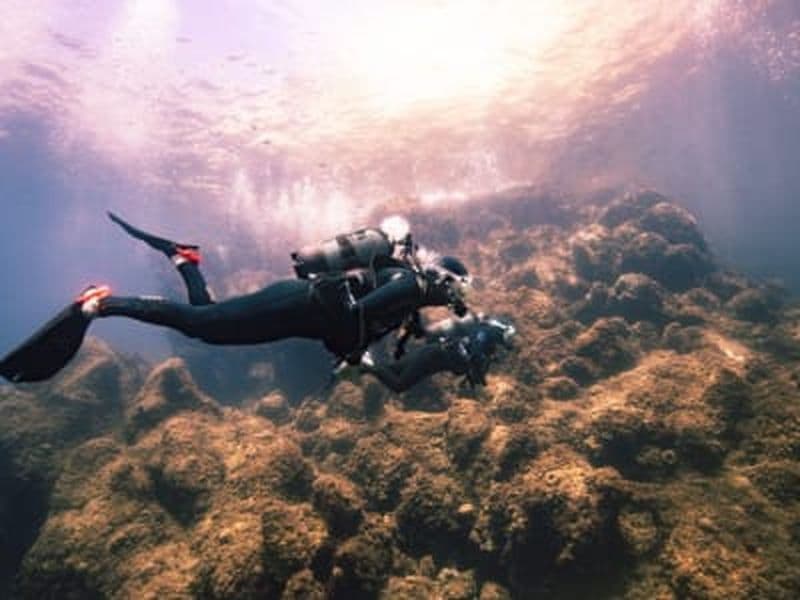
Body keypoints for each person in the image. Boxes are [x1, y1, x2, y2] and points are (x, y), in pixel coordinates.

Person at [0, 213, 471, 383]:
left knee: (208, 320)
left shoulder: (407, 293)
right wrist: (352, 350)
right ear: (443, 279)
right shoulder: (410, 285)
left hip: (297, 310)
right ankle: (101, 304)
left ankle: (184, 259)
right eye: (455, 289)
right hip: (297, 305)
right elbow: (354, 319)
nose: (454, 299)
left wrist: (359, 350)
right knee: (201, 326)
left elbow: (369, 324)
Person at [358, 313, 516, 393]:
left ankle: (362, 363)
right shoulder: (486, 333)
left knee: (392, 370)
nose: (508, 341)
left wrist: (478, 370)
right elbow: (475, 351)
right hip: (431, 357)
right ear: (503, 329)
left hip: (433, 356)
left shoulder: (487, 340)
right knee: (399, 385)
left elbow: (473, 357)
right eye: (509, 336)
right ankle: (367, 364)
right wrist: (478, 366)